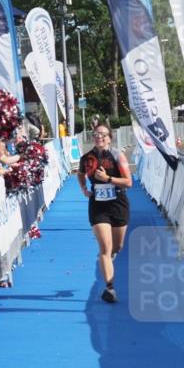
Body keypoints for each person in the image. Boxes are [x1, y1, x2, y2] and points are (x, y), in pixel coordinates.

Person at [77, 124, 132, 304]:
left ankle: (109, 256)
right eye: (96, 134)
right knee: (105, 247)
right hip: (98, 205)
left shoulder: (118, 156)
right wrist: (84, 188)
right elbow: (80, 174)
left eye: (103, 134)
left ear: (109, 138)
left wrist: (108, 179)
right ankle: (110, 288)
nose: (99, 136)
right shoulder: (86, 158)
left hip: (118, 203)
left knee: (117, 247)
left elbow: (128, 182)